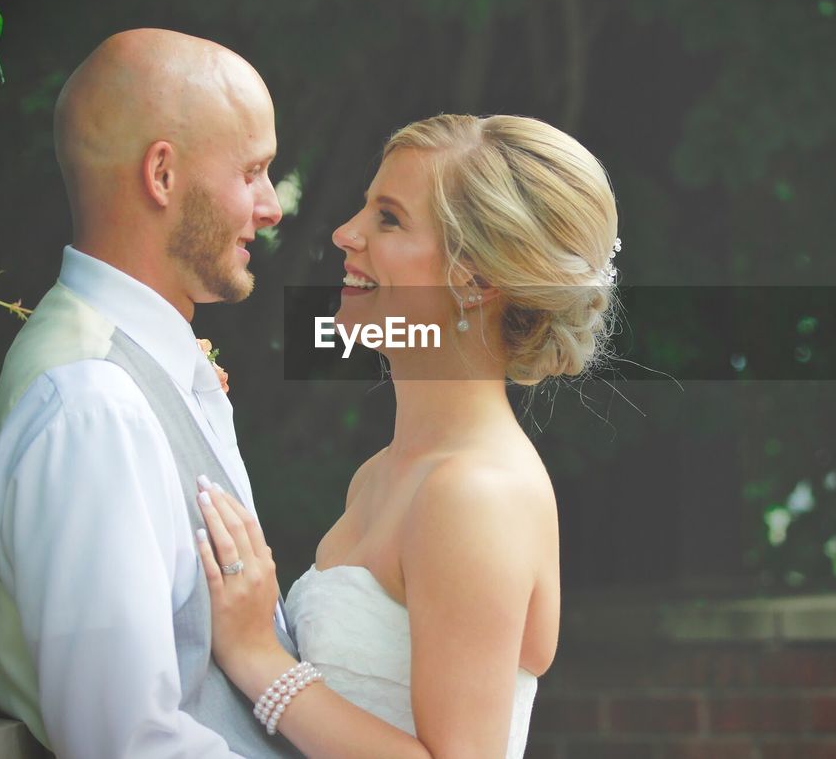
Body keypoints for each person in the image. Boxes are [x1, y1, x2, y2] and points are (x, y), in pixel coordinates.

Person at [194, 114, 620, 757]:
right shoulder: (384, 471)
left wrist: (260, 660)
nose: (345, 233)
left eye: (388, 219)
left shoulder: (476, 494)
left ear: (474, 282)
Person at [0, 28, 302, 758]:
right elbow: (128, 743)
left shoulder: (136, 372)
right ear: (163, 176)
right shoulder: (92, 407)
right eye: (253, 171)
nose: (271, 207)